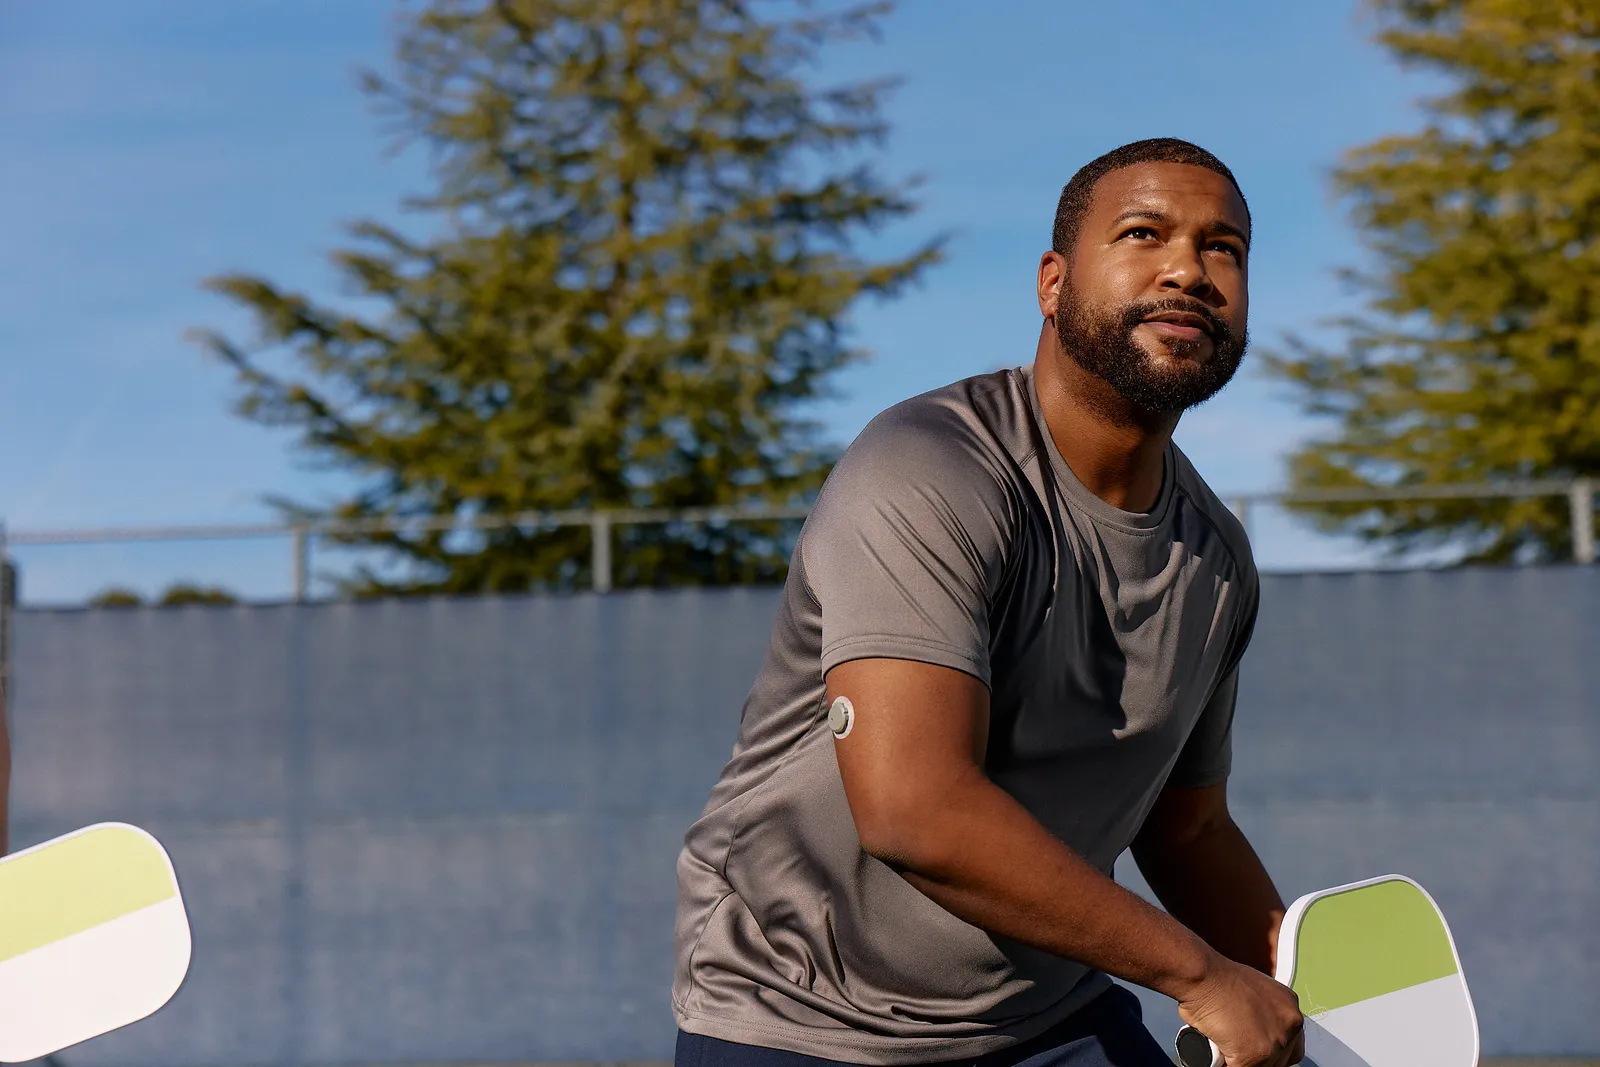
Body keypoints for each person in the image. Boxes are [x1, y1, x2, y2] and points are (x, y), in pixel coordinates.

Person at [672, 138, 1304, 1067]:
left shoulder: (1218, 560)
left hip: (1045, 1020)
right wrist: (1202, 977)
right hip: (804, 1022)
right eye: (1143, 233)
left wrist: (1300, 1006)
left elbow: (1189, 826)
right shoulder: (927, 468)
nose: (1189, 269)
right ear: (1053, 284)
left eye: (1226, 250)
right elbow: (913, 808)